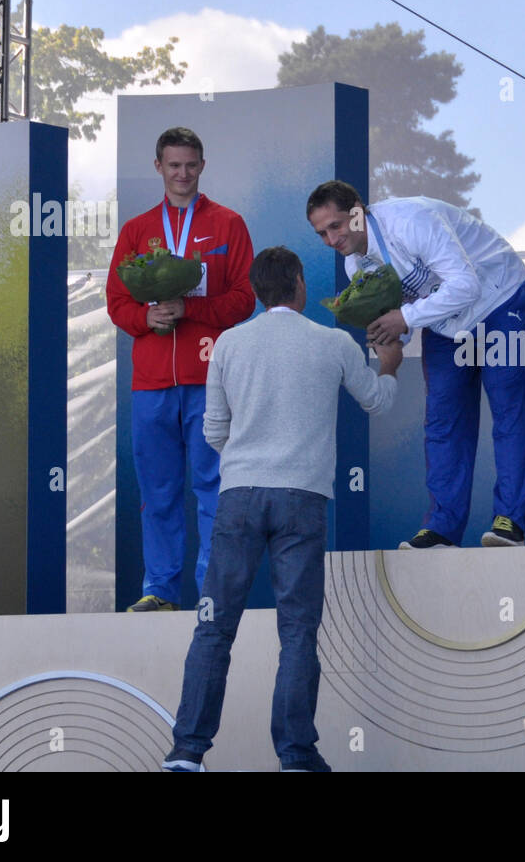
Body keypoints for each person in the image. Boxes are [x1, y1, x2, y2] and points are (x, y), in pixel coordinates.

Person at [163, 246, 402, 772]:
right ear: (297, 283)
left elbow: (214, 433)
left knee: (214, 628)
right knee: (297, 632)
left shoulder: (228, 343)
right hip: (303, 500)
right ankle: (295, 755)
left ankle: (186, 753)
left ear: (254, 291)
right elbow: (378, 402)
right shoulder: (333, 342)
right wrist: (389, 363)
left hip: (238, 499)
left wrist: (250, 459)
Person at [306, 180, 525, 550]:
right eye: (322, 233)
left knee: (509, 407)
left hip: (498, 295)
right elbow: (404, 310)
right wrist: (389, 341)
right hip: (447, 320)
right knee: (443, 419)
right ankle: (442, 528)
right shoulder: (355, 266)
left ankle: (510, 522)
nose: (332, 240)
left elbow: (465, 284)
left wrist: (405, 320)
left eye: (336, 226)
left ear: (358, 212)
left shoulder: (411, 220)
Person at [106, 127, 255, 612]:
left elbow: (245, 299)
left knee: (213, 486)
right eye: (174, 165)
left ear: (202, 165)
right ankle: (160, 590)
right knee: (158, 493)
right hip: (151, 384)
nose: (182, 174)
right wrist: (145, 317)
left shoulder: (228, 223)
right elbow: (116, 301)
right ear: (158, 168)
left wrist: (192, 310)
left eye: (190, 165)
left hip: (210, 377)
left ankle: (212, 592)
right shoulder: (136, 230)